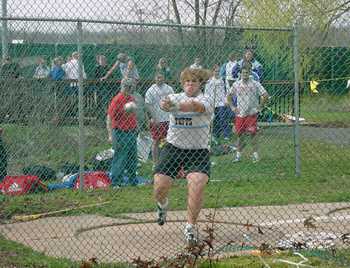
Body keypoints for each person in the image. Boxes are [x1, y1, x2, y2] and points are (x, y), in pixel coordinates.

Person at [153, 68, 213, 246]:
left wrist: (176, 107)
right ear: (182, 84)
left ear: (200, 84)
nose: (190, 84)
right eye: (187, 81)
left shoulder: (206, 99)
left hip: (198, 150)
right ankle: (162, 205)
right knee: (160, 186)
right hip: (174, 147)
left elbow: (196, 107)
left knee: (197, 183)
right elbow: (165, 103)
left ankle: (190, 227)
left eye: (194, 81)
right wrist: (165, 104)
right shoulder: (175, 96)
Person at [226, 64, 269, 163]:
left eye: (247, 72)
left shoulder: (255, 84)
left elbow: (265, 95)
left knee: (252, 135)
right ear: (240, 74)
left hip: (251, 114)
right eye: (243, 72)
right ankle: (238, 156)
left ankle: (255, 155)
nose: (245, 74)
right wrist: (233, 107)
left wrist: (260, 107)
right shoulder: (236, 84)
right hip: (240, 114)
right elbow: (228, 96)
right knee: (240, 136)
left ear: (250, 73)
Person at [107, 78, 138, 187]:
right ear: (123, 86)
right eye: (127, 86)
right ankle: (116, 182)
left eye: (130, 87)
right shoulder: (117, 100)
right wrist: (110, 135)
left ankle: (133, 181)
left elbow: (133, 116)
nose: (129, 89)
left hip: (131, 132)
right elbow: (109, 119)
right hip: (120, 132)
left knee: (132, 157)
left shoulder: (131, 98)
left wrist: (136, 128)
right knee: (120, 157)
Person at [145, 73, 174, 165]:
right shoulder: (151, 90)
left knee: (170, 141)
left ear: (164, 78)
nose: (159, 79)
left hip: (168, 119)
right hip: (157, 120)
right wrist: (153, 117)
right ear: (155, 78)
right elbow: (148, 105)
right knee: (156, 141)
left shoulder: (169, 89)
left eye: (161, 77)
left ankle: (168, 161)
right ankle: (155, 163)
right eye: (157, 77)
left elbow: (173, 102)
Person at [205, 64, 230, 140]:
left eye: (218, 71)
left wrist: (226, 100)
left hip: (221, 103)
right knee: (214, 119)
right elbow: (206, 93)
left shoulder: (222, 80)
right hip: (212, 103)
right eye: (216, 71)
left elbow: (225, 91)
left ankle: (226, 134)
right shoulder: (209, 82)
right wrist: (208, 102)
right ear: (213, 72)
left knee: (222, 118)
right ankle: (216, 134)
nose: (217, 72)